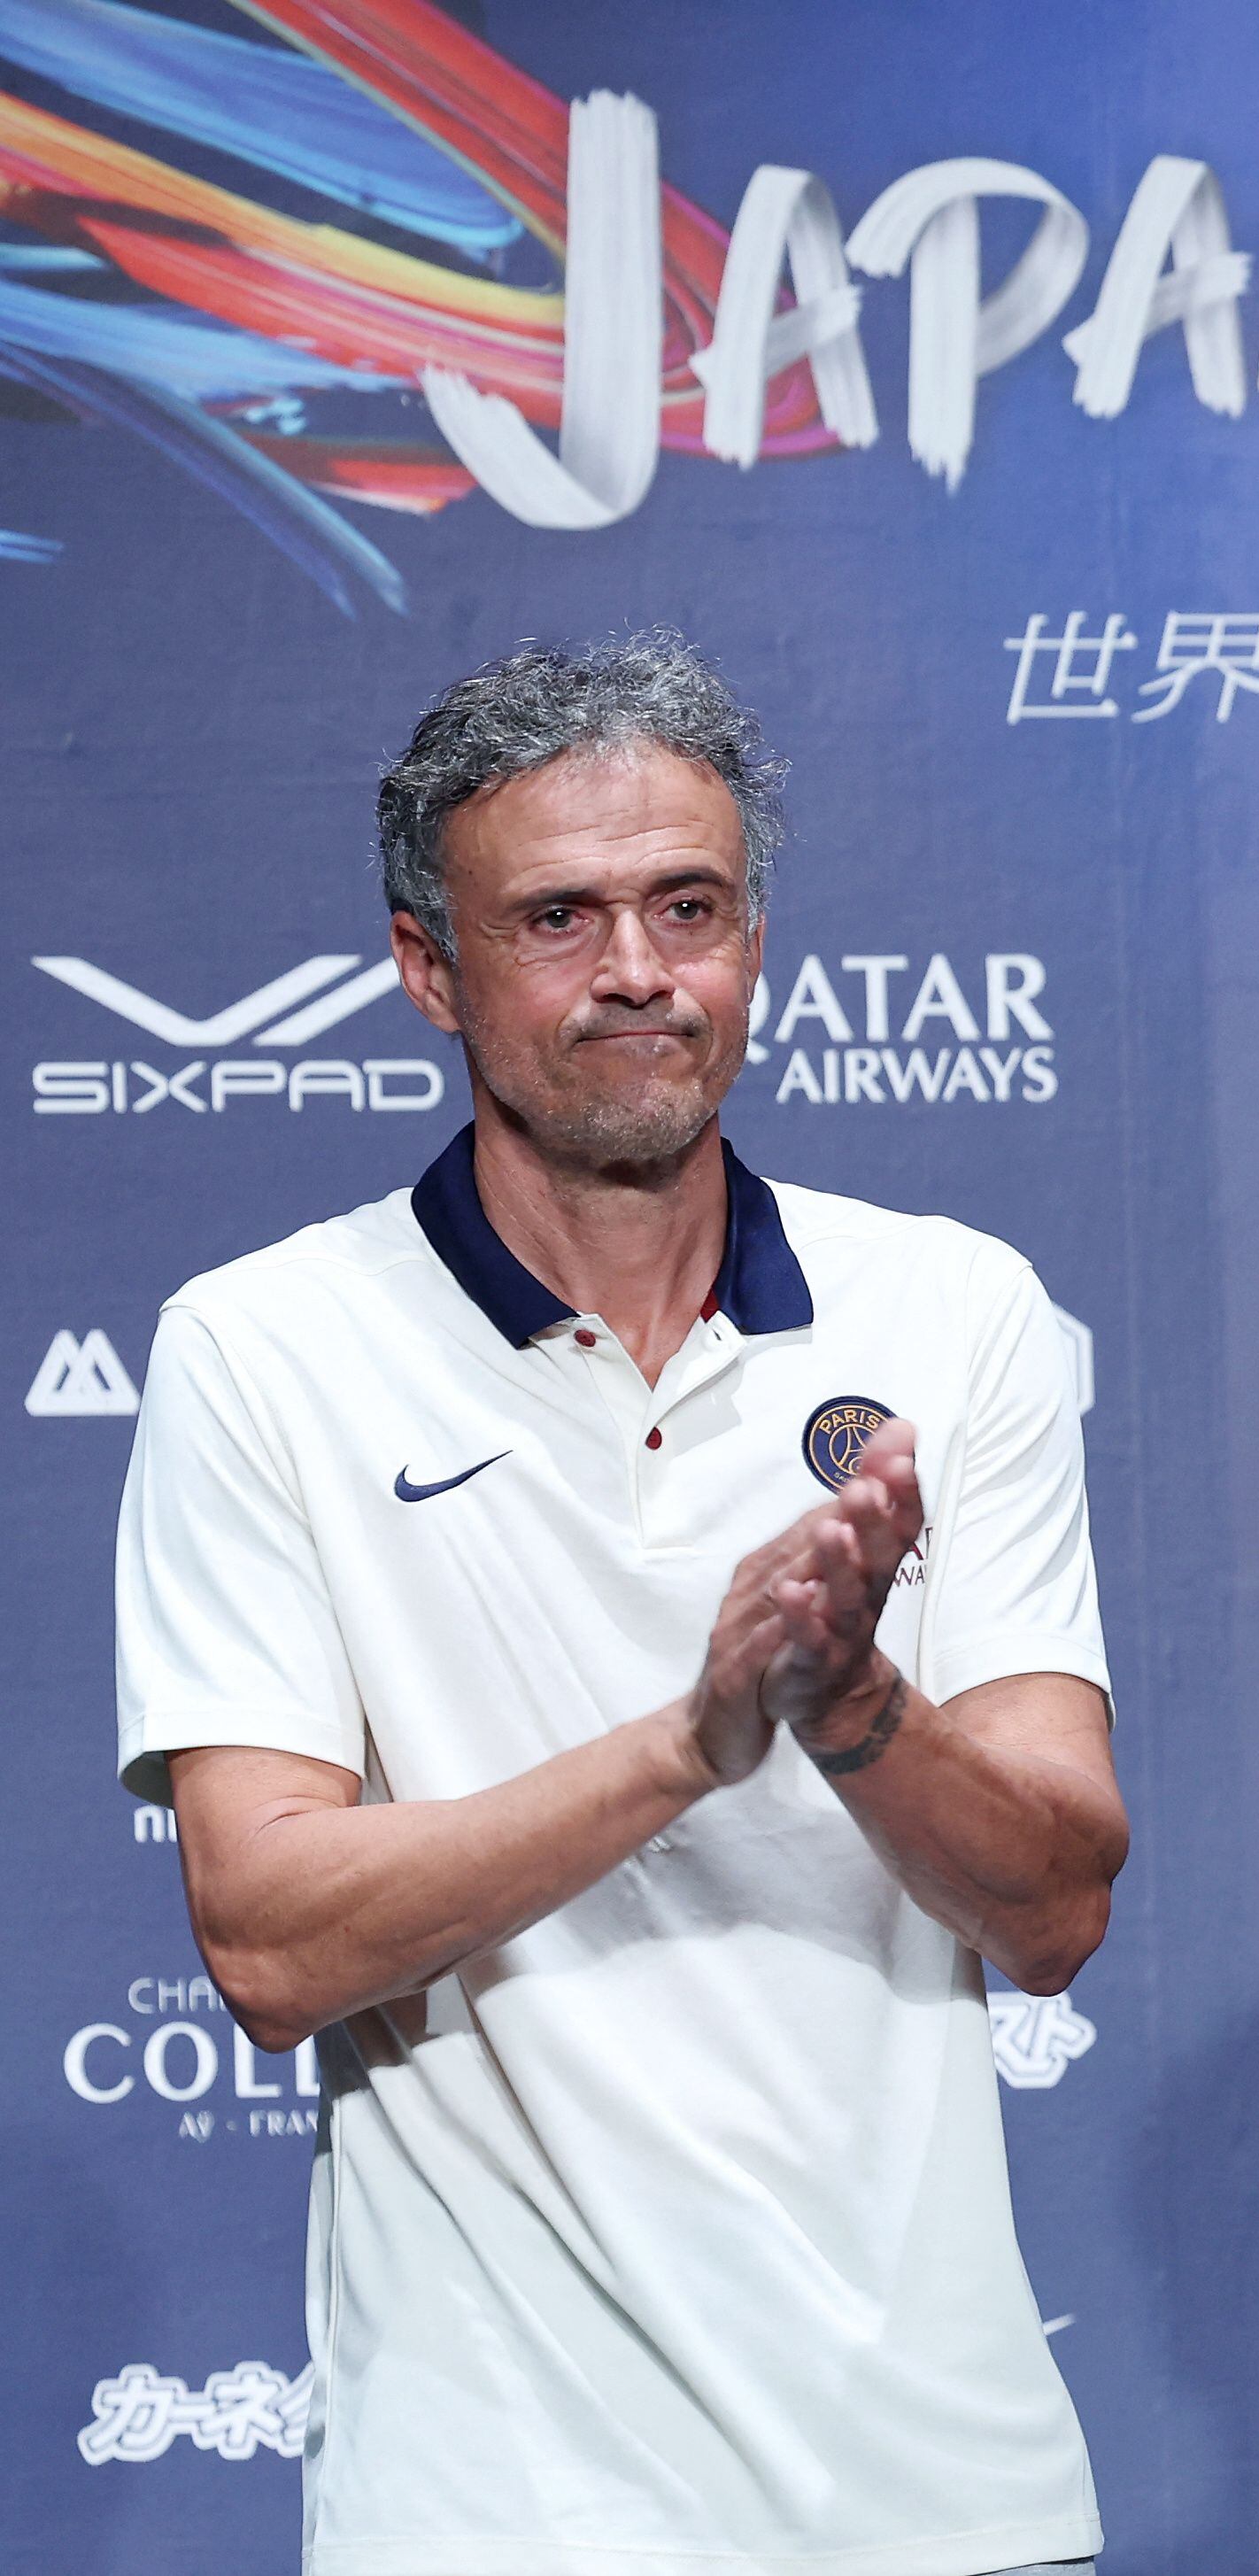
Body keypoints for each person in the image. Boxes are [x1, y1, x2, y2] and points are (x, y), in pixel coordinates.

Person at [115, 635, 1126, 2576]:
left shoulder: (958, 1309)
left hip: (943, 2501)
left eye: (690, 907)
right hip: (490, 2515)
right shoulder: (264, 1347)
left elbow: (1057, 1906)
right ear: (430, 969)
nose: (641, 972)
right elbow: (266, 1941)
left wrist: (854, 1715)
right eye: (558, 920)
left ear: (755, 938)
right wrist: (693, 1737)